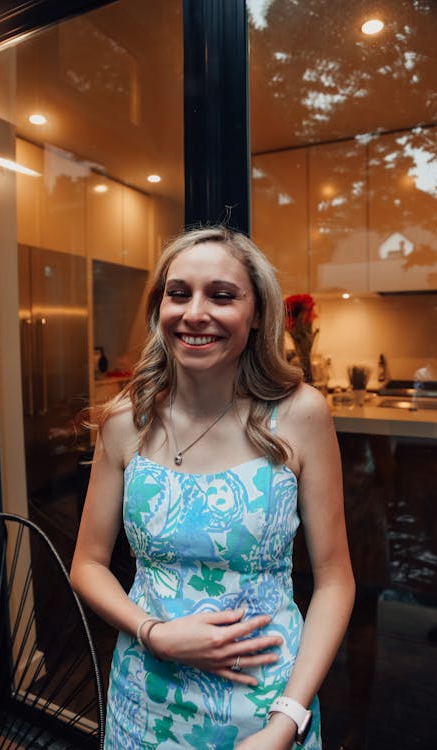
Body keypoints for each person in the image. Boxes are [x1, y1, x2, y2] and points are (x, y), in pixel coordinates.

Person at [70, 225, 355, 750]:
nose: (195, 312)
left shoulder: (300, 415)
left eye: (222, 296)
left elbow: (336, 582)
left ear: (257, 315)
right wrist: (155, 632)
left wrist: (286, 721)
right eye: (178, 294)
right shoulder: (124, 421)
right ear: (160, 309)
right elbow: (86, 564)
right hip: (145, 700)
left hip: (266, 706)